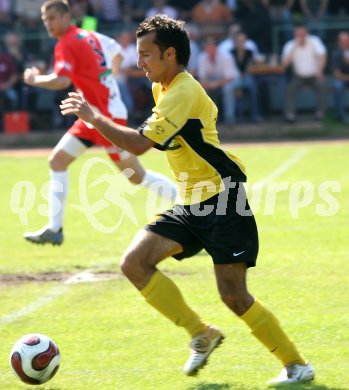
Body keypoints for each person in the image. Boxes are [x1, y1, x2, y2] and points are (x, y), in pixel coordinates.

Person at [60, 14, 315, 384]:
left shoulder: (182, 91)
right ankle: (201, 333)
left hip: (223, 199)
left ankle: (297, 365)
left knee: (234, 296)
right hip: (191, 202)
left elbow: (139, 145)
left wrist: (93, 117)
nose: (139, 62)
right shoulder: (161, 87)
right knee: (134, 263)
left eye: (146, 54)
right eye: (138, 54)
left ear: (169, 54)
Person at [23, 0, 176, 246]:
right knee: (58, 160)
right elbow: (115, 50)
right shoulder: (88, 35)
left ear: (65, 17)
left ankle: (189, 208)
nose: (47, 24)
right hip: (91, 116)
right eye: (44, 20)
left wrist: (35, 79)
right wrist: (108, 78)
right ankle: (54, 228)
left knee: (134, 175)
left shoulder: (68, 43)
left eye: (51, 18)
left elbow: (62, 81)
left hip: (107, 119)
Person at [282, 23, 327, 122]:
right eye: (298, 33)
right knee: (289, 90)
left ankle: (321, 113)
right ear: (294, 33)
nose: (301, 35)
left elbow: (323, 55)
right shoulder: (289, 45)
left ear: (306, 32)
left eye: (303, 33)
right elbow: (285, 64)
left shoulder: (314, 40)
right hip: (298, 76)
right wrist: (295, 47)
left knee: (322, 86)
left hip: (314, 75)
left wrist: (320, 71)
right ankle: (290, 115)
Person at [332, 31, 349, 124]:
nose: (346, 43)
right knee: (337, 85)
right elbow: (337, 75)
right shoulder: (336, 54)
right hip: (342, 80)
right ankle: (341, 115)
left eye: (347, 41)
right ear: (339, 42)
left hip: (345, 77)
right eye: (343, 41)